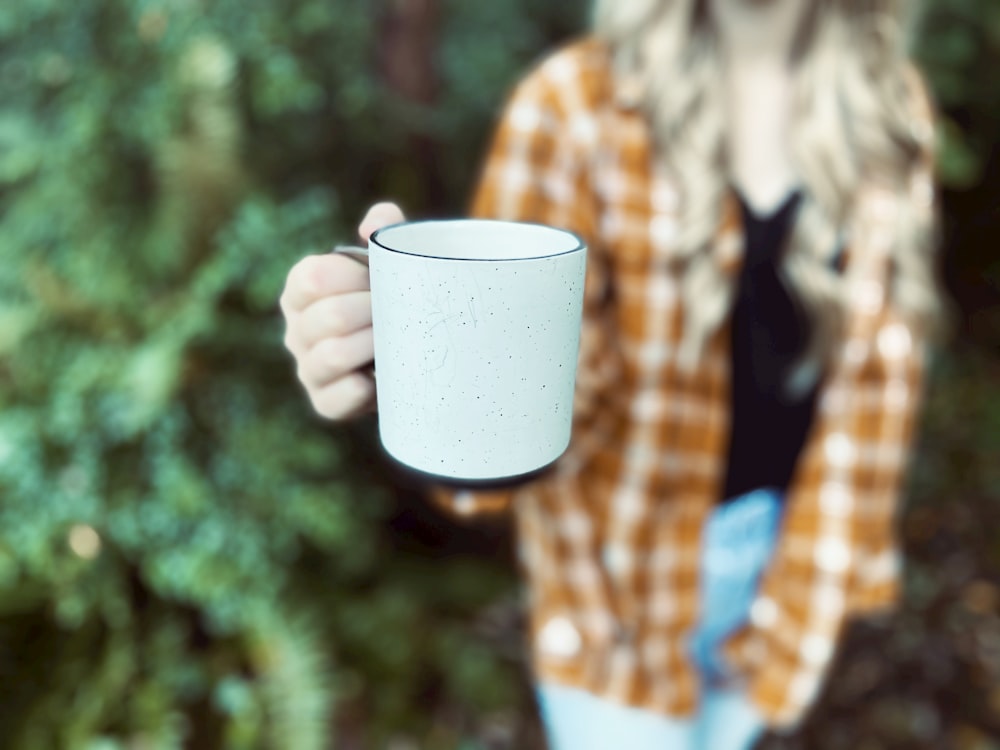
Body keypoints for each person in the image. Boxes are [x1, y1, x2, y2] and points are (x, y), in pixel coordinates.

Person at [280, 0, 942, 747]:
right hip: (615, 600)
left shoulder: (889, 108)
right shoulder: (571, 107)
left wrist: (798, 617)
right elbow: (552, 394)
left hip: (791, 562)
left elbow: (876, 386)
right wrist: (401, 358)